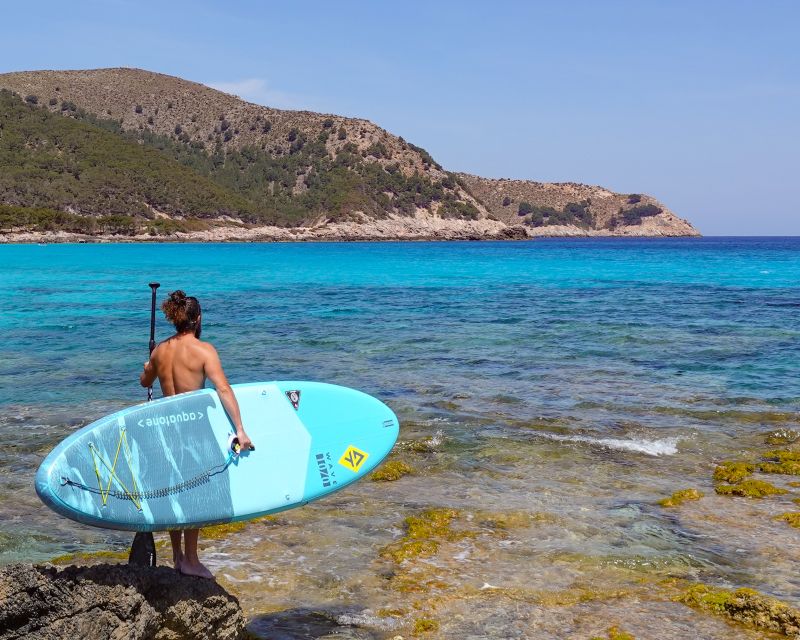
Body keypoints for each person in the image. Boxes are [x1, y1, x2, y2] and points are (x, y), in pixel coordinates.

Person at [139, 290, 254, 579]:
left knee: (175, 489)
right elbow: (223, 390)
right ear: (198, 319)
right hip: (193, 431)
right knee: (195, 492)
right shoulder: (204, 351)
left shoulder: (160, 351)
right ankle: (190, 559)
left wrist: (147, 368)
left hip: (165, 431)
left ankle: (177, 556)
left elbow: (145, 382)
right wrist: (240, 430)